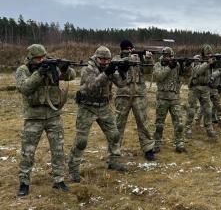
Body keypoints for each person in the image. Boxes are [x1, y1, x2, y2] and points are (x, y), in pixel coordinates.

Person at [15, 44, 76, 196]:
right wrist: (40, 73)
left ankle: (59, 180)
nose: (41, 60)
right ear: (30, 58)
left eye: (43, 57)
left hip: (53, 115)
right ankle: (24, 182)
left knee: (58, 150)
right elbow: (25, 87)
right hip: (33, 117)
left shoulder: (51, 66)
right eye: (38, 58)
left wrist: (64, 69)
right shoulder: (23, 70)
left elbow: (71, 76)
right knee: (28, 151)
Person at [68, 46, 128, 183]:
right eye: (102, 59)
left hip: (104, 107)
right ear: (96, 58)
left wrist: (124, 71)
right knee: (81, 141)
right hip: (87, 107)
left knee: (114, 135)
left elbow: (121, 84)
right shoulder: (87, 69)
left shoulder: (109, 68)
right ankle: (73, 169)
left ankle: (114, 161)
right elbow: (92, 85)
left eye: (108, 60)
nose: (105, 62)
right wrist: (107, 72)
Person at [114, 40, 155, 161]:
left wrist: (148, 59)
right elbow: (114, 71)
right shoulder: (116, 59)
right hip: (123, 96)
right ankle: (114, 151)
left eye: (132, 48)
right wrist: (127, 59)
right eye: (128, 49)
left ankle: (148, 149)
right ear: (122, 50)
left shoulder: (139, 59)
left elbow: (148, 71)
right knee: (118, 124)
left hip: (139, 96)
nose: (131, 51)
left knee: (143, 123)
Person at [152, 47, 187, 153]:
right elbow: (158, 77)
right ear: (163, 55)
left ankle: (179, 142)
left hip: (175, 98)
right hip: (162, 98)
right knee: (159, 124)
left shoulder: (177, 65)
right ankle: (157, 143)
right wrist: (169, 67)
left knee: (179, 123)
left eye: (171, 56)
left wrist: (187, 66)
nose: (169, 58)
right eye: (167, 56)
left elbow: (186, 74)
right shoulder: (158, 65)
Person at [185, 45, 217, 138]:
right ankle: (187, 128)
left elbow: (220, 66)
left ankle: (209, 129)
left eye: (210, 53)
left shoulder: (211, 60)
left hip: (205, 88)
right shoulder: (197, 59)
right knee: (192, 109)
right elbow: (197, 71)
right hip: (195, 88)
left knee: (208, 110)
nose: (209, 55)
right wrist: (208, 63)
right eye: (207, 54)